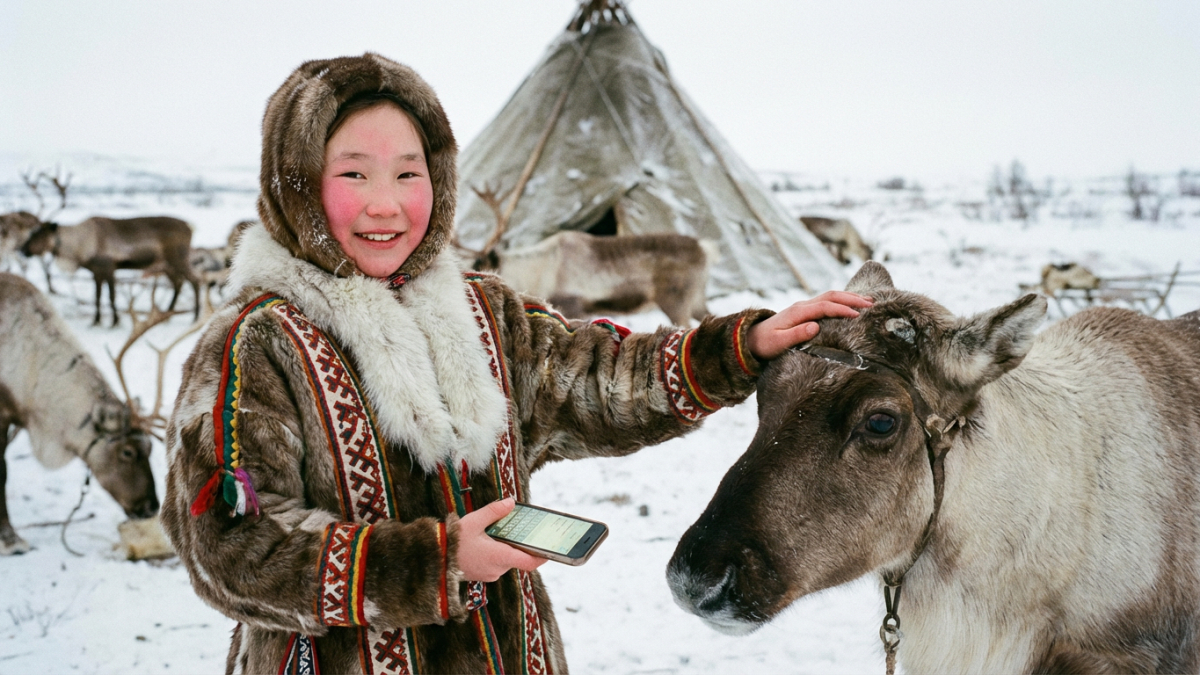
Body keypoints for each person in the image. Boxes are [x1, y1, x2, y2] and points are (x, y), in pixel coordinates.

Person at [161, 53, 871, 675]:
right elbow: (230, 546)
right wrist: (437, 562)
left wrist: (738, 348)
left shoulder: (483, 314)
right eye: (354, 173)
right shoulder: (254, 347)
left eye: (409, 173)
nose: (387, 204)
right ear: (297, 182)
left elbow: (601, 380)